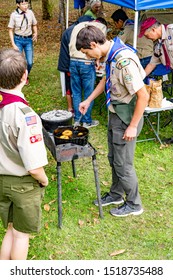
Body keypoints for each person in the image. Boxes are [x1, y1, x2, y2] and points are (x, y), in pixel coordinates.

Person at [76, 25, 149, 216]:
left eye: (87, 52)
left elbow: (143, 96)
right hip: (115, 113)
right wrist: (88, 100)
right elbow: (106, 80)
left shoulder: (123, 61)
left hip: (126, 117)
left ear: (94, 44)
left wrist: (132, 126)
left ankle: (134, 204)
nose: (88, 57)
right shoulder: (111, 55)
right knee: (114, 159)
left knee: (123, 164)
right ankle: (116, 194)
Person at [0, 48, 48, 260]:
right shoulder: (25, 116)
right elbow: (34, 166)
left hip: (2, 181)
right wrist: (44, 180)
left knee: (10, 229)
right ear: (24, 76)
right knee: (21, 235)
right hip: (22, 184)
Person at [69, 17, 107, 128]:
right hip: (86, 63)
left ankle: (77, 119)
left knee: (76, 91)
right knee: (88, 92)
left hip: (73, 61)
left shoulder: (77, 26)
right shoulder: (100, 28)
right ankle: (86, 121)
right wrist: (98, 60)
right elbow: (101, 45)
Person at [57, 15, 93, 114]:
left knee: (74, 89)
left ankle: (75, 112)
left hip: (69, 62)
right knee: (79, 89)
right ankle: (78, 113)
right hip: (72, 63)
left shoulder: (69, 30)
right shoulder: (79, 31)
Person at [8, 0, 38, 85]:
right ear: (18, 5)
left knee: (29, 62)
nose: (25, 6)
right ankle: (21, 77)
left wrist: (36, 33)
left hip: (28, 40)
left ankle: (25, 75)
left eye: (26, 3)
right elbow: (10, 30)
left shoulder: (30, 13)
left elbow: (34, 24)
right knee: (18, 61)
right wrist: (13, 44)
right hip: (18, 39)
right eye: (23, 4)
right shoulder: (14, 15)